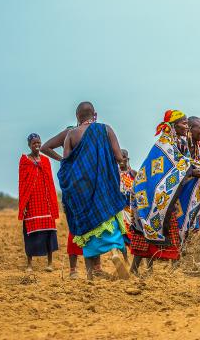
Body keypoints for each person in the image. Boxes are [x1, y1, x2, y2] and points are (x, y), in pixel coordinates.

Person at [129, 110, 200, 275]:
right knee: (146, 232)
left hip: (163, 195)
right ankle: (137, 269)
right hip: (147, 192)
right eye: (183, 123)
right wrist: (192, 171)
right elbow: (178, 166)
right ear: (173, 125)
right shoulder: (165, 143)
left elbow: (186, 163)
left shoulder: (179, 143)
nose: (186, 126)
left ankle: (172, 269)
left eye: (187, 123)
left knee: (166, 229)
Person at [57, 101, 129, 280]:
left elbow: (66, 164)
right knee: (110, 221)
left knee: (88, 230)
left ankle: (91, 274)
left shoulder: (71, 134)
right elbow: (119, 157)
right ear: (94, 115)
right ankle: (115, 252)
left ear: (77, 117)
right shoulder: (106, 129)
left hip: (82, 191)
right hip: (105, 187)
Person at [41, 115, 102, 278]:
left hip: (87, 187)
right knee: (76, 228)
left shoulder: (91, 133)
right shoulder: (70, 132)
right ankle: (74, 270)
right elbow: (45, 147)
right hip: (77, 188)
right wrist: (64, 160)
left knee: (94, 227)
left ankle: (96, 268)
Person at [18, 133, 59, 272]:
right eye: (34, 143)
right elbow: (22, 184)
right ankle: (29, 264)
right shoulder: (24, 161)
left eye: (38, 143)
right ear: (29, 145)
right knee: (30, 233)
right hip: (32, 203)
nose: (37, 145)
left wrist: (53, 202)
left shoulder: (46, 161)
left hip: (45, 202)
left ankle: (50, 263)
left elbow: (50, 182)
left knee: (49, 232)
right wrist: (23, 204)